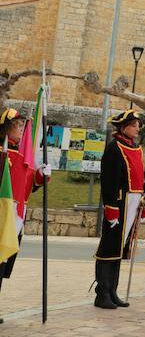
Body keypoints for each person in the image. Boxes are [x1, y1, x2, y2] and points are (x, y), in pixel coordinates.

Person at [94, 109, 145, 309]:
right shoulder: (114, 149)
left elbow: (142, 178)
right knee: (109, 248)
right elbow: (108, 182)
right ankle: (102, 292)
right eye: (134, 125)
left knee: (121, 248)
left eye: (137, 125)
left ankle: (112, 290)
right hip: (119, 204)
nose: (137, 128)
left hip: (133, 204)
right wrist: (110, 207)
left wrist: (144, 202)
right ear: (123, 127)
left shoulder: (136, 149)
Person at [0, 107, 50, 325]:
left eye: (22, 126)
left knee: (2, 264)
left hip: (15, 217)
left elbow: (29, 183)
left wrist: (41, 175)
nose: (21, 130)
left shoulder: (21, 154)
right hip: (2, 215)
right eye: (17, 126)